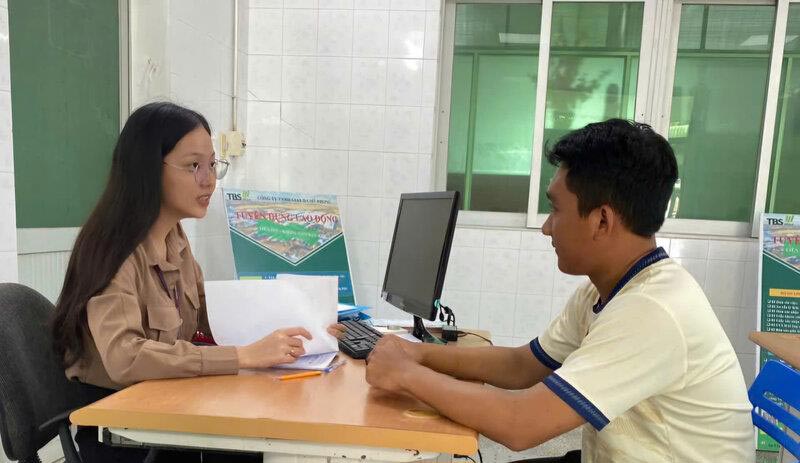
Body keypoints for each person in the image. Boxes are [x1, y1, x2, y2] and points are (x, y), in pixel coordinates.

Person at [364, 119, 754, 462]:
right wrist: (416, 354)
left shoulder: (653, 308)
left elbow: (521, 425)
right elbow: (522, 367)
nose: (547, 228)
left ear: (602, 220)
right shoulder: (609, 287)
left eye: (556, 210)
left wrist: (405, 375)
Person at [51, 102, 344, 462]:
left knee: (257, 437)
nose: (208, 180)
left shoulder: (174, 238)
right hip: (123, 435)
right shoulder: (114, 248)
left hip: (164, 413)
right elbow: (125, 357)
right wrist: (243, 355)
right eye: (193, 166)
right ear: (147, 170)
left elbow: (209, 314)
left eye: (211, 165)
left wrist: (299, 329)